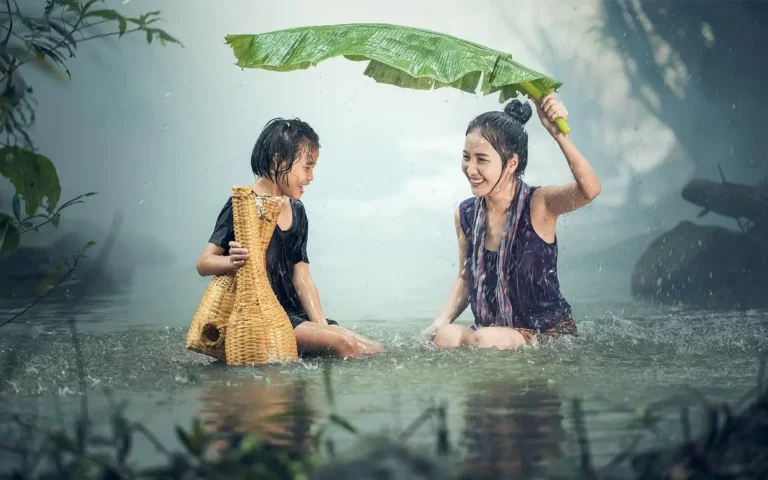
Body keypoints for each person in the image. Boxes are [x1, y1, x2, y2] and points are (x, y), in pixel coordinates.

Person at [196, 117, 384, 359]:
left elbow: (301, 276)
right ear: (278, 161)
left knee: (373, 350)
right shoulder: (244, 205)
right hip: (264, 318)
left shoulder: (297, 210)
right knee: (346, 344)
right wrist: (230, 262)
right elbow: (203, 263)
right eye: (307, 167)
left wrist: (322, 326)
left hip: (295, 315)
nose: (311, 177)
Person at [425, 94, 600, 350]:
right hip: (492, 334)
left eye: (481, 160)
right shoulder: (466, 214)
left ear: (511, 164)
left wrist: (559, 134)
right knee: (446, 336)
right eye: (466, 157)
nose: (470, 169)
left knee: (484, 339)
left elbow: (589, 190)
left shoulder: (539, 204)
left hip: (546, 334)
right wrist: (439, 322)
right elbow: (465, 278)